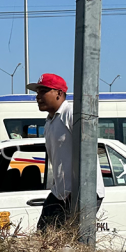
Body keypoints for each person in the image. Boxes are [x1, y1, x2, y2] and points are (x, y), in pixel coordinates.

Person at [26, 73, 104, 231]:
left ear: (59, 93)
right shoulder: (49, 121)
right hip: (60, 192)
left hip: (82, 193)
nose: (38, 97)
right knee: (45, 235)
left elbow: (89, 148)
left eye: (43, 91)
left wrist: (81, 190)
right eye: (37, 92)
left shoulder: (71, 113)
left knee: (67, 241)